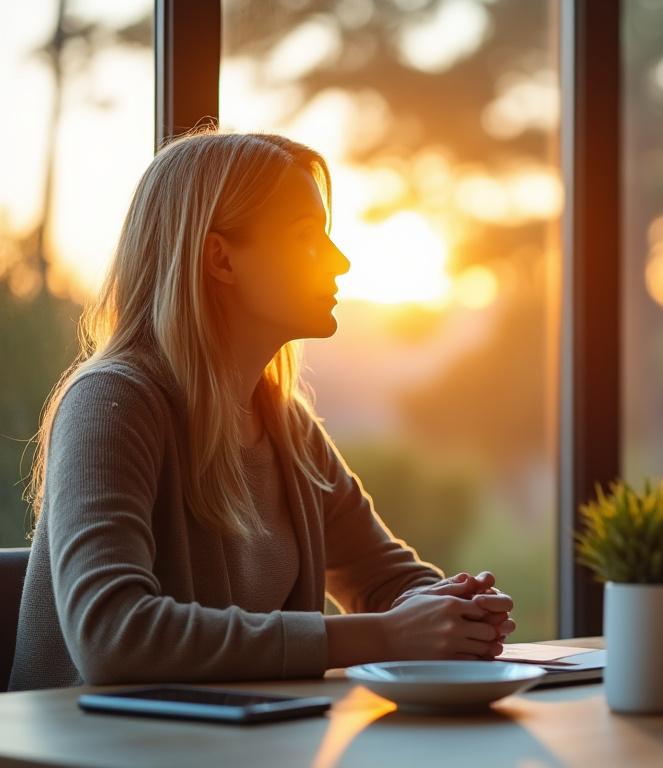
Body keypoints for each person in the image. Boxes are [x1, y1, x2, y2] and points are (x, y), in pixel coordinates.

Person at [10, 130, 515, 691]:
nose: (340, 261)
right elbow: (113, 637)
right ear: (220, 259)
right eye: (308, 238)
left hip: (244, 742)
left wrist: (456, 607)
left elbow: (384, 579)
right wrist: (388, 635)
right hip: (96, 751)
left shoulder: (285, 423)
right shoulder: (111, 404)